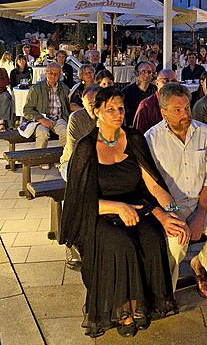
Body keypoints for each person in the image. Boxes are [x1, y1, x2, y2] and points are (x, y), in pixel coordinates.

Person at [59, 87, 188, 338]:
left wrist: (173, 212)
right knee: (122, 244)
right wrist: (118, 207)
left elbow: (153, 184)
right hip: (98, 214)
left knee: (151, 237)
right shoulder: (86, 148)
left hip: (137, 207)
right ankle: (121, 308)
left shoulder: (134, 138)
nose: (118, 114)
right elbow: (78, 201)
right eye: (110, 110)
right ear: (96, 112)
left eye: (121, 108)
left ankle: (142, 303)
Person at [145, 84, 207, 298]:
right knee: (176, 243)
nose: (185, 114)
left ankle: (203, 264)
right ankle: (164, 295)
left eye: (187, 107)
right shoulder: (151, 138)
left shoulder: (202, 130)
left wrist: (200, 213)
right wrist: (173, 214)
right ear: (164, 113)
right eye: (177, 110)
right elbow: (152, 185)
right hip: (171, 205)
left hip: (202, 200)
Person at [59, 85, 100, 270]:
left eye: (97, 103)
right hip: (73, 163)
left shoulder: (108, 115)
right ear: (83, 103)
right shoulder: (77, 119)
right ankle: (72, 241)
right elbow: (77, 153)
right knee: (80, 186)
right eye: (90, 104)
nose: (94, 107)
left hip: (99, 165)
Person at [23, 63, 70, 159]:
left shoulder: (64, 88)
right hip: (41, 119)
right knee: (42, 133)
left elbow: (68, 106)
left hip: (59, 118)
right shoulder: (36, 88)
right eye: (50, 73)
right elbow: (27, 110)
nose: (53, 76)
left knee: (65, 132)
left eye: (56, 74)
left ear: (60, 75)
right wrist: (41, 119)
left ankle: (61, 158)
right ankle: (41, 159)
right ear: (46, 73)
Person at [121, 61, 156, 127]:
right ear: (136, 73)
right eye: (143, 72)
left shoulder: (155, 90)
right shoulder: (126, 92)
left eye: (149, 72)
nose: (147, 74)